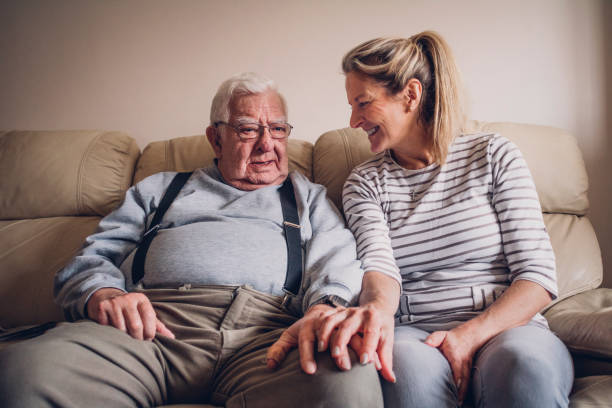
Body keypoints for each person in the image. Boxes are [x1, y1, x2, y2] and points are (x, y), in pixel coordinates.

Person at [0, 72, 383, 408]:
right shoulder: (158, 189)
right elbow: (91, 259)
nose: (268, 143)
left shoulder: (308, 196)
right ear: (215, 139)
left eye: (278, 128)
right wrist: (103, 294)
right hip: (147, 333)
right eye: (249, 129)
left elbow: (337, 260)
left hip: (267, 337)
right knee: (28, 371)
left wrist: (324, 308)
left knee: (348, 377)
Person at [287, 32, 573, 407]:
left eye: (363, 103)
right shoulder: (365, 183)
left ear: (410, 94)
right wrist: (375, 309)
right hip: (413, 331)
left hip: (508, 328)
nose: (354, 120)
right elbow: (380, 270)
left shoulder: (493, 155)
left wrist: (468, 336)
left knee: (524, 368)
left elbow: (537, 278)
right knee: (405, 377)